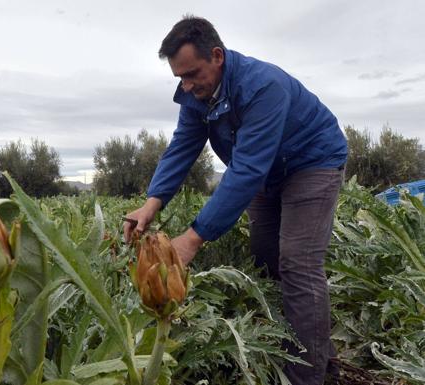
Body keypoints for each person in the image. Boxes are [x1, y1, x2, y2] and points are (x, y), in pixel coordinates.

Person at [123, 15, 347, 385]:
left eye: (192, 73)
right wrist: (152, 202)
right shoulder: (198, 95)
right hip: (268, 171)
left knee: (297, 262)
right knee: (264, 258)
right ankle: (319, 352)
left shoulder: (263, 86)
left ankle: (307, 376)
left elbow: (246, 171)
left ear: (217, 55)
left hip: (312, 163)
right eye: (179, 77)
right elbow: (182, 148)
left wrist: (192, 239)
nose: (187, 84)